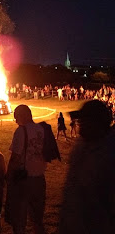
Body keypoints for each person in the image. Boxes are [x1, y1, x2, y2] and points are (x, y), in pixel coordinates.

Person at [59, 100, 115, 234]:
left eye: (84, 121)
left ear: (97, 123)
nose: (79, 124)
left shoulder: (109, 154)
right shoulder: (81, 146)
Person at [6, 104, 47, 234]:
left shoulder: (21, 131)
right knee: (37, 220)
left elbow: (16, 158)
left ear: (23, 116)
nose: (16, 121)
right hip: (40, 179)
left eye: (16, 118)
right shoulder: (42, 129)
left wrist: (8, 175)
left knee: (19, 220)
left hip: (24, 180)